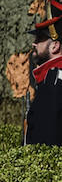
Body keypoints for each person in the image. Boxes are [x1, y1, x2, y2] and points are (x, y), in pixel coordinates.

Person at [26, 9, 62, 145]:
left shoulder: (53, 80)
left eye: (40, 39)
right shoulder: (50, 77)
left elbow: (46, 138)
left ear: (54, 46)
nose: (34, 44)